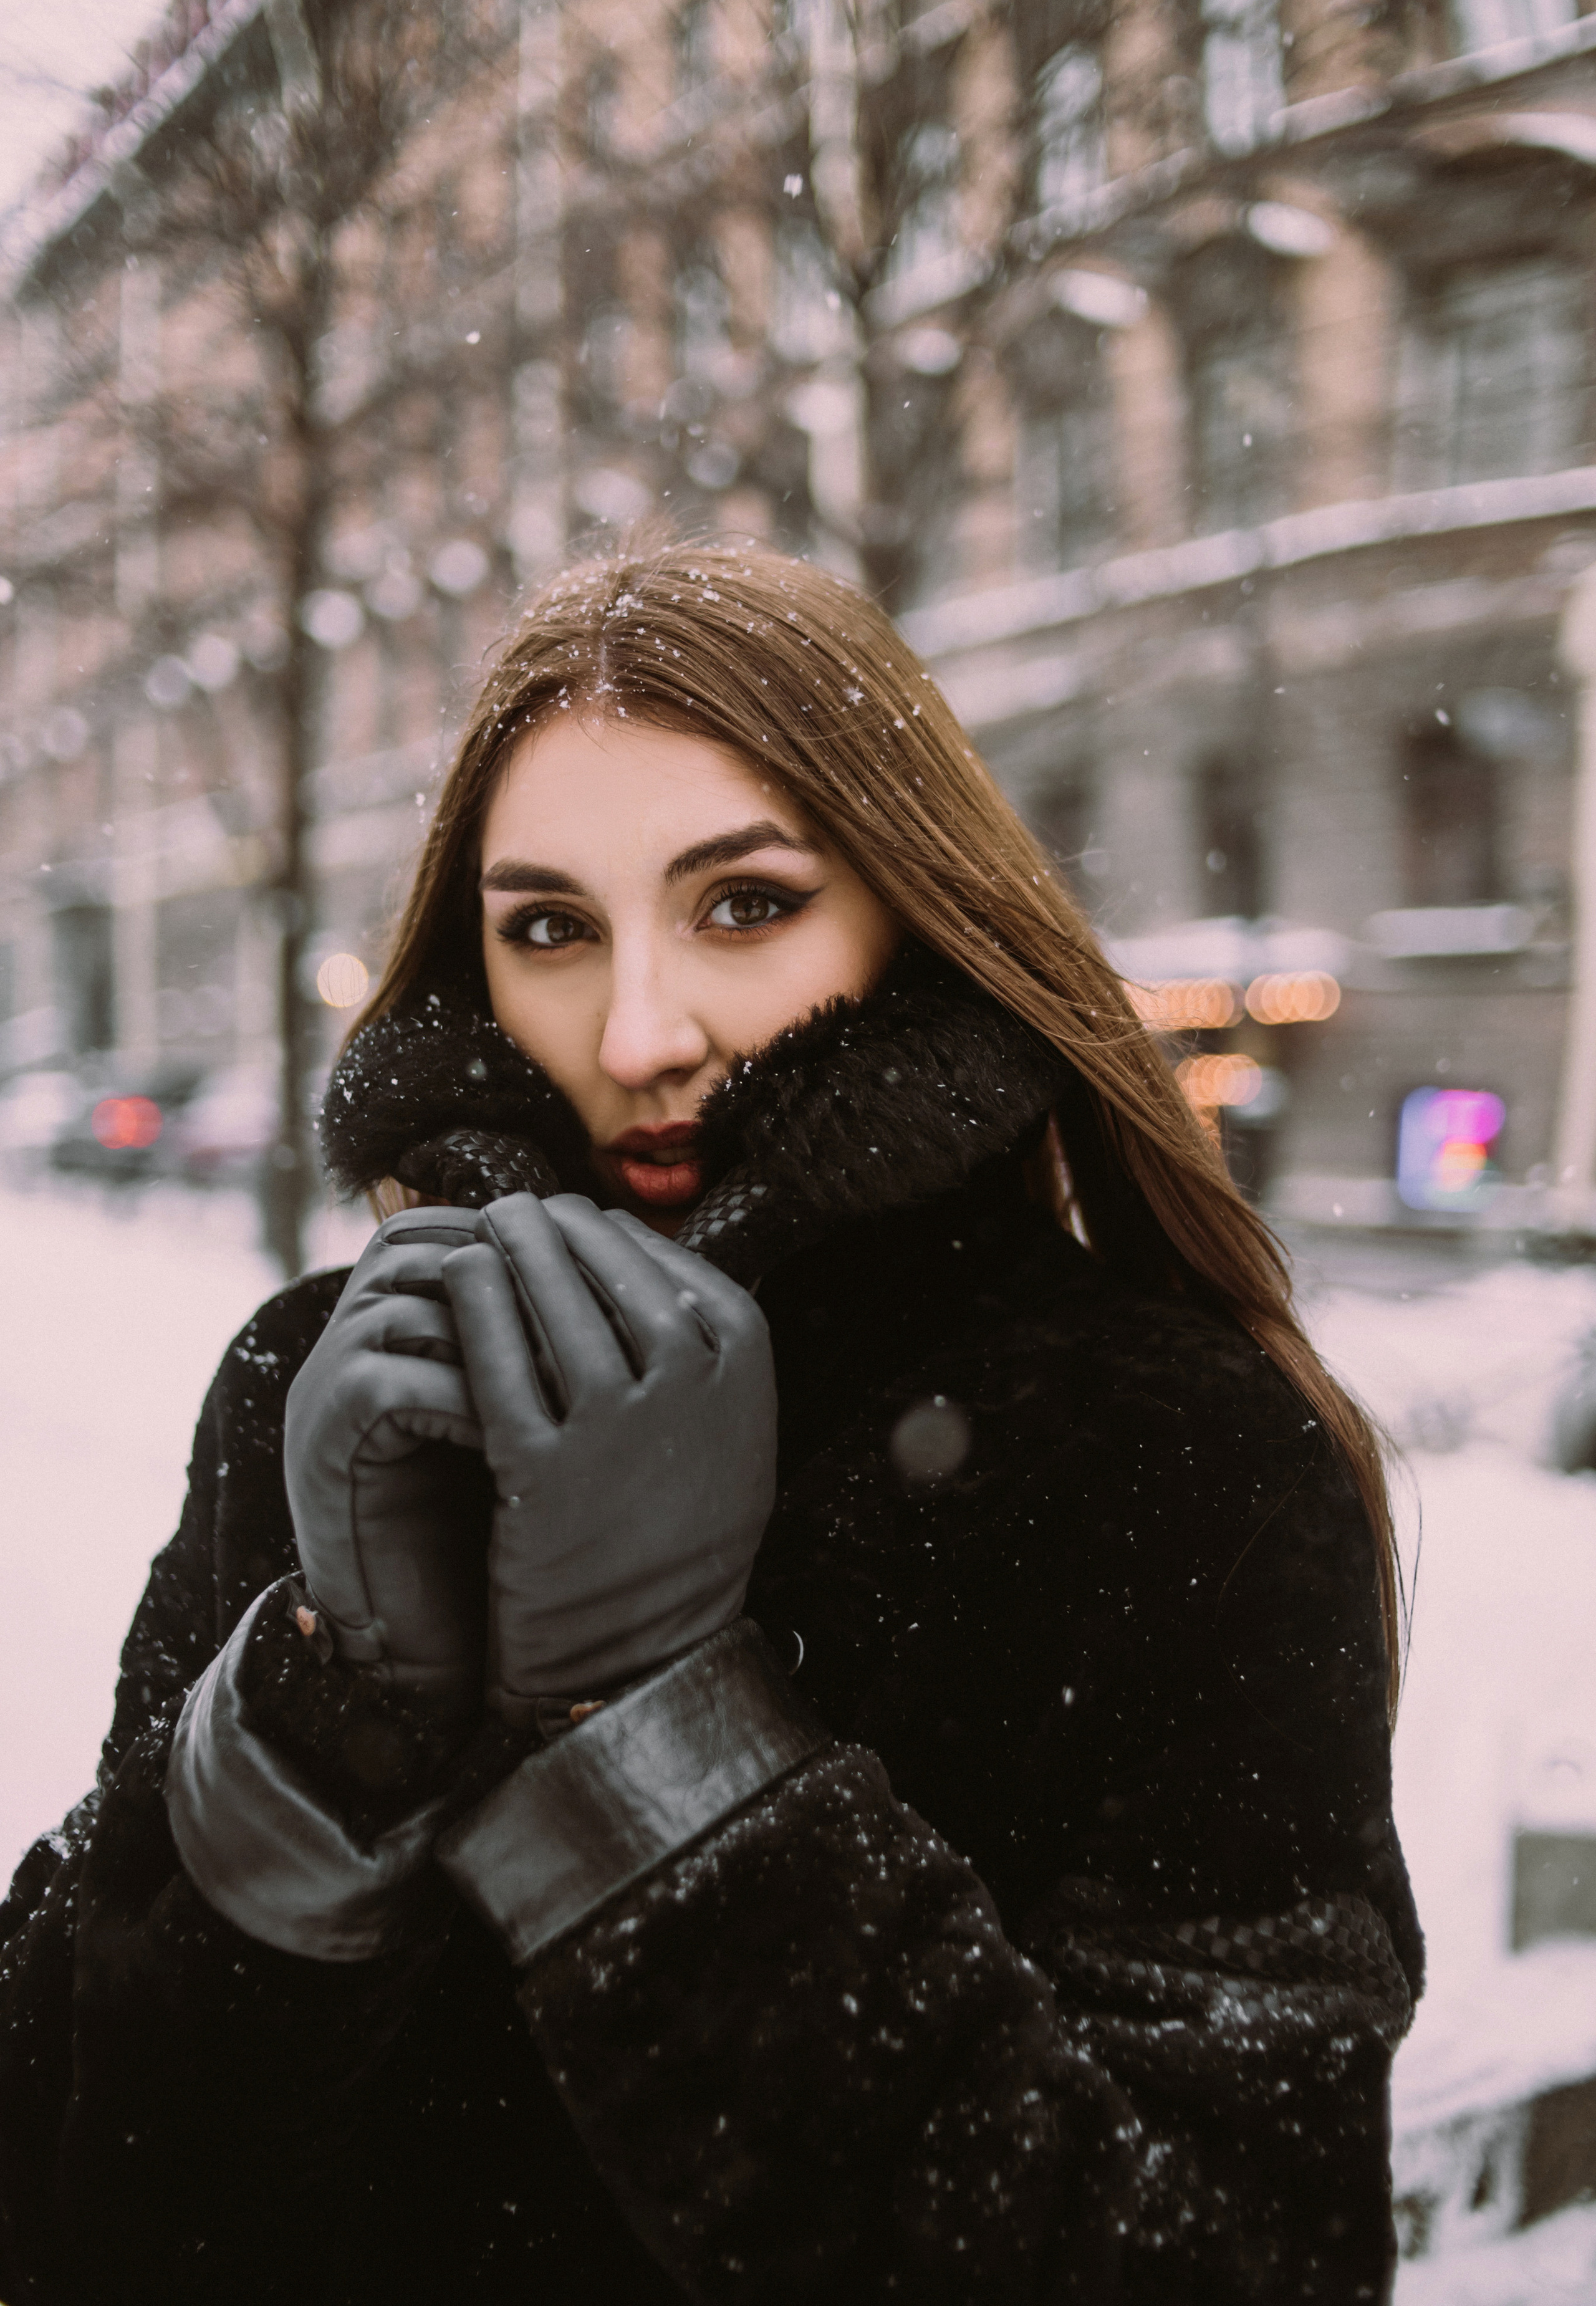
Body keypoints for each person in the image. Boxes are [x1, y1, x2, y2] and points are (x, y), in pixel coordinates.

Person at [0, 539, 1420, 2304]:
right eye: (550, 929)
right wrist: (313, 1736)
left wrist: (665, 1743)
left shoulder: (1164, 1449)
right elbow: (79, 2203)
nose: (641, 1029)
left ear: (913, 909)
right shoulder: (327, 1384)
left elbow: (1231, 2259)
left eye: (745, 904)